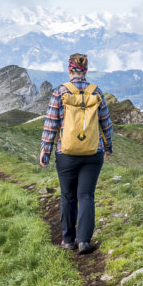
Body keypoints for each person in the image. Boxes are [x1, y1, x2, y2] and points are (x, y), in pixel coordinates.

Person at [39, 53, 113, 254]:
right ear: (86, 70)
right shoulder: (96, 92)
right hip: (93, 152)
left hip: (66, 152)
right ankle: (84, 242)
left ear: (69, 69)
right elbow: (105, 123)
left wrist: (45, 151)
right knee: (86, 195)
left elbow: (51, 124)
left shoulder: (60, 92)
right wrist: (108, 146)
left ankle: (68, 241)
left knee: (68, 196)